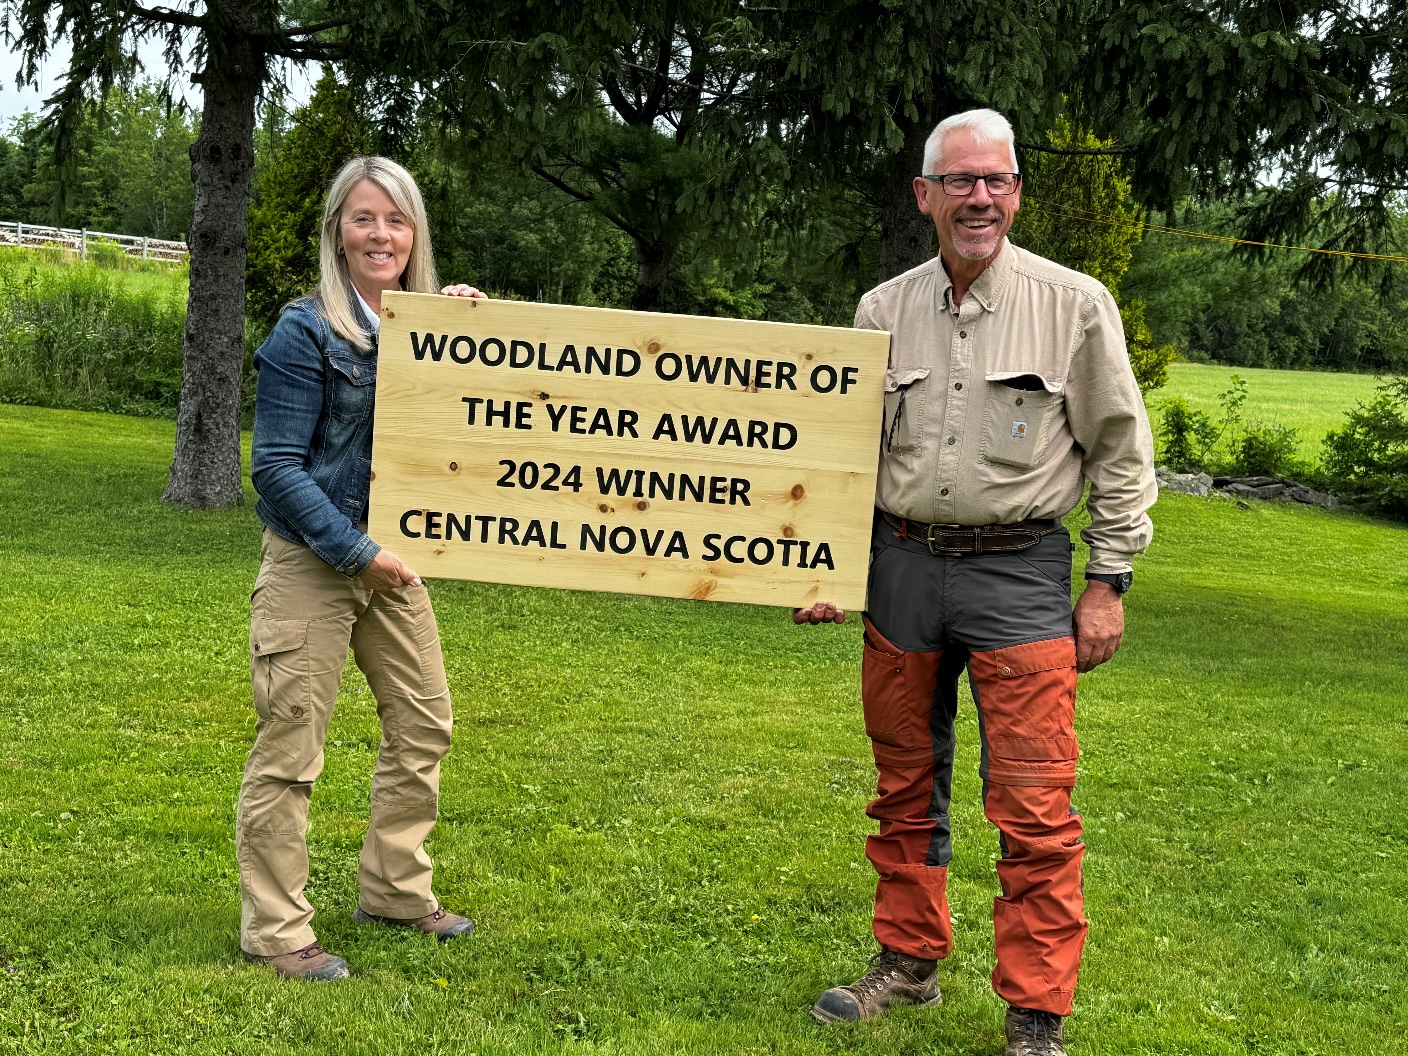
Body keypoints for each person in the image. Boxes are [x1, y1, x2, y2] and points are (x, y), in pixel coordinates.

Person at [795, 109, 1156, 1056]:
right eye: (959, 181)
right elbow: (841, 458)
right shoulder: (883, 311)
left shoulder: (1075, 304)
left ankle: (1037, 1014)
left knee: (1034, 801)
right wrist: (825, 561)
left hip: (1023, 575)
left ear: (1017, 192)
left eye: (995, 180)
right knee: (903, 785)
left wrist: (1108, 579)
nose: (979, 198)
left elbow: (1121, 453)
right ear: (926, 196)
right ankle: (907, 965)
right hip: (901, 568)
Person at [238, 156, 485, 981]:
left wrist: (469, 339)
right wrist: (356, 552)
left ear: (416, 235)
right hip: (317, 560)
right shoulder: (303, 330)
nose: (382, 235)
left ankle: (395, 891)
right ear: (337, 234)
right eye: (364, 219)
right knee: (292, 748)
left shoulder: (427, 329)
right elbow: (273, 466)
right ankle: (278, 932)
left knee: (424, 725)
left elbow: (464, 439)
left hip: (395, 562)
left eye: (397, 220)